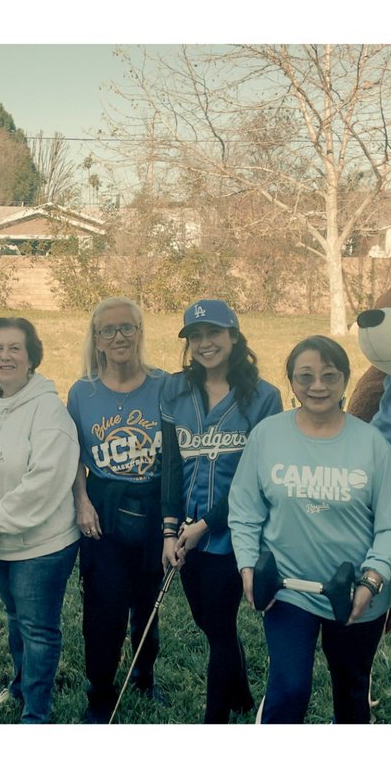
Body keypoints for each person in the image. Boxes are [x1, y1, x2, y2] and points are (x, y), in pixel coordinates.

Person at [230, 335, 391, 724]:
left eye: (329, 375)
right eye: (305, 376)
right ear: (291, 382)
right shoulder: (268, 436)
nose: (317, 386)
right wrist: (248, 566)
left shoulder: (372, 444)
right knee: (289, 688)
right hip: (288, 589)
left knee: (351, 690)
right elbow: (244, 510)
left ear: (345, 379)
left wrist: (373, 580)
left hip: (357, 593)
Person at [160, 299, 282, 723]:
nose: (205, 343)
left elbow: (257, 479)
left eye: (214, 333)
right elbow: (171, 468)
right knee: (213, 625)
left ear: (233, 335)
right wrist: (170, 530)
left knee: (218, 627)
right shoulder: (174, 390)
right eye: (195, 336)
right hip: (187, 531)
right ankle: (243, 694)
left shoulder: (264, 397)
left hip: (237, 534)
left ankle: (217, 720)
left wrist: (204, 527)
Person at [0, 317, 80, 723]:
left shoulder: (49, 412)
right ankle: (20, 685)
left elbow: (44, 481)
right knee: (15, 618)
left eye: (15, 349)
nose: (5, 356)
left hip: (41, 545)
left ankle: (36, 713)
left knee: (38, 629)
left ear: (32, 357)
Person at [67, 296, 168, 723]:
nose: (118, 336)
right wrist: (82, 501)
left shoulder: (166, 385)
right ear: (97, 340)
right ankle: (100, 690)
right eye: (108, 330)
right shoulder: (82, 391)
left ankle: (144, 674)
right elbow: (71, 452)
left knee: (148, 598)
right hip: (103, 502)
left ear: (140, 331)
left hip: (153, 499)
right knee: (103, 604)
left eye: (126, 327)